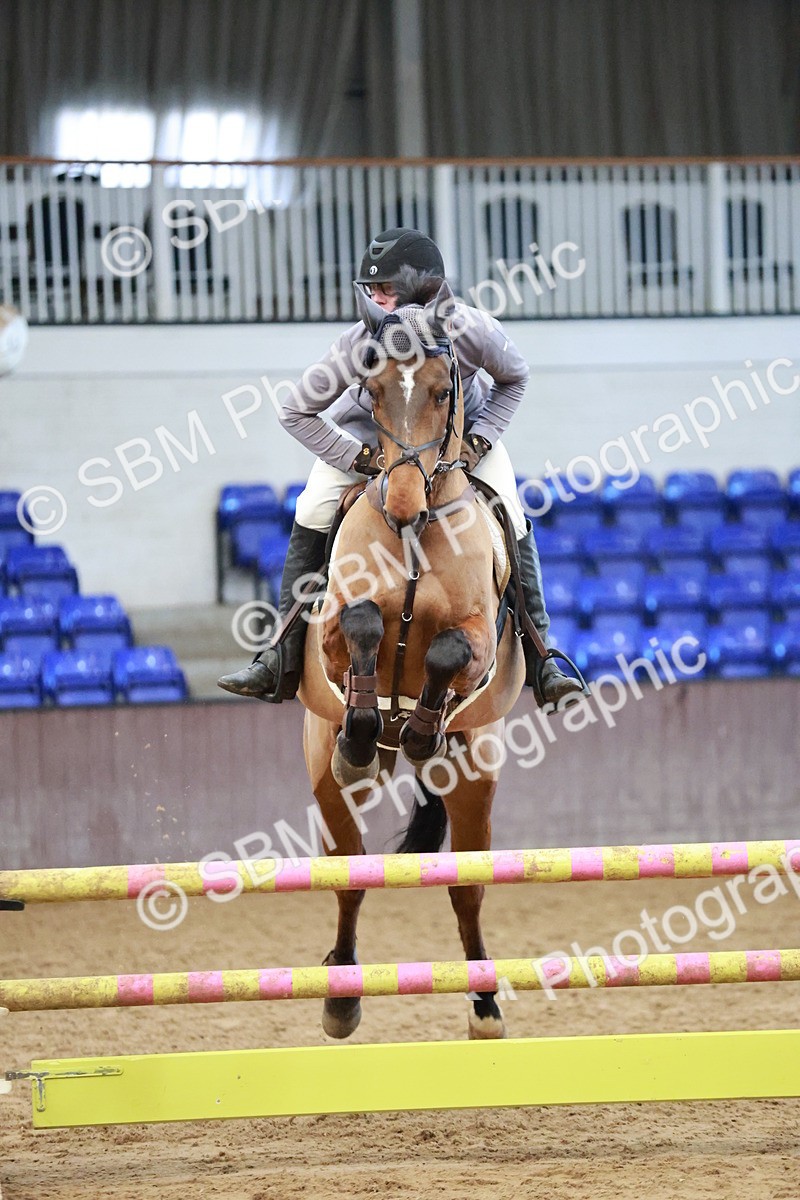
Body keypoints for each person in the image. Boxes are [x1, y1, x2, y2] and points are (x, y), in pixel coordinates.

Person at [218, 228, 581, 708]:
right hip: (373, 441)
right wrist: (358, 458)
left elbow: (515, 377)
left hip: (456, 441)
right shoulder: (359, 343)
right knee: (312, 508)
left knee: (510, 511)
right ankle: (279, 656)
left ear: (424, 289)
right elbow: (294, 410)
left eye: (384, 289)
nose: (374, 299)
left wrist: (480, 438)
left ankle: (542, 658)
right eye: (369, 291)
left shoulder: (471, 329)